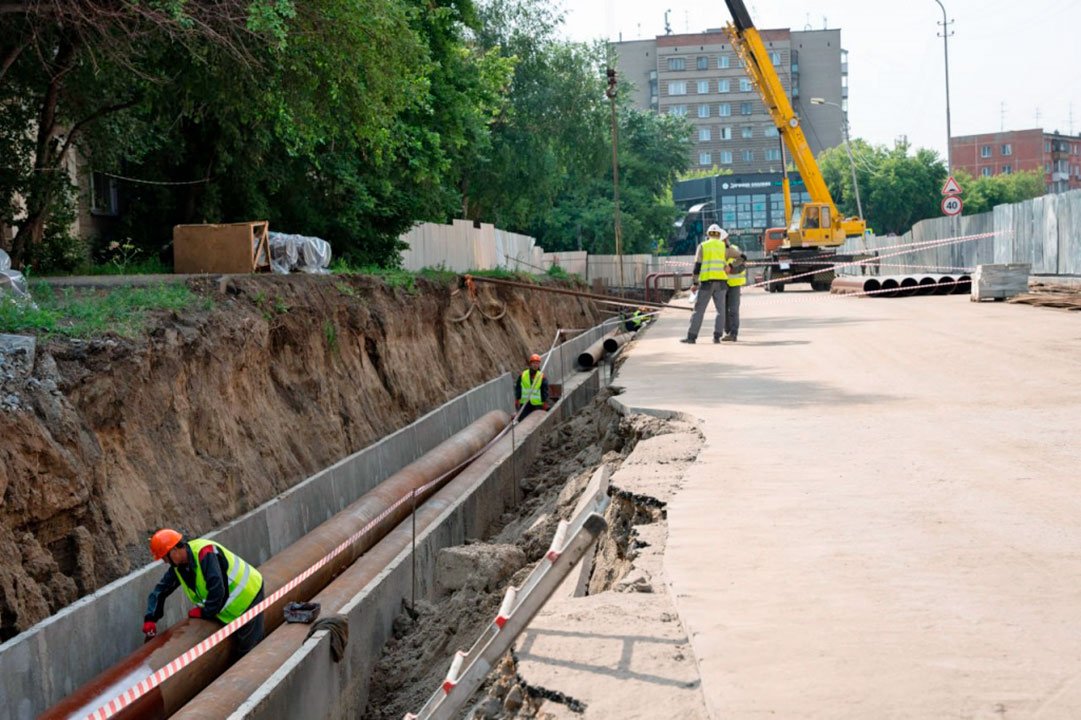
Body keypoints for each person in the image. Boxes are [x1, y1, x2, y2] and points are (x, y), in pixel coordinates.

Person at [142, 529, 266, 657]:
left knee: (249, 653)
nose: (165, 562)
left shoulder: (205, 553)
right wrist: (151, 618)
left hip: (248, 596)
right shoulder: (178, 567)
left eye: (164, 557)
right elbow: (161, 590)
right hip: (230, 607)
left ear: (174, 550)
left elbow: (217, 589)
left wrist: (205, 612)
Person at [682, 224, 729, 344]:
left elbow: (697, 266)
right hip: (721, 282)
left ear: (708, 234)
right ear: (719, 234)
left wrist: (695, 283)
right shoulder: (722, 246)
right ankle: (717, 337)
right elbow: (725, 264)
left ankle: (691, 337)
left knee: (699, 310)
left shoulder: (703, 245)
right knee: (721, 310)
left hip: (707, 282)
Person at [722, 243, 747, 342]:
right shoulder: (717, 250)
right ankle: (728, 332)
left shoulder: (735, 249)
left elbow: (742, 265)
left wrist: (730, 268)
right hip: (721, 284)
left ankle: (733, 333)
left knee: (733, 310)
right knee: (723, 310)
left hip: (734, 284)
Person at [514, 353, 549, 417]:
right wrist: (517, 399)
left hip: (536, 404)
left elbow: (544, 390)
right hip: (525, 404)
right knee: (522, 420)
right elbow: (518, 388)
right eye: (534, 363)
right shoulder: (523, 375)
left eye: (537, 363)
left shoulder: (541, 376)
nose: (535, 365)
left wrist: (544, 402)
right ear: (530, 364)